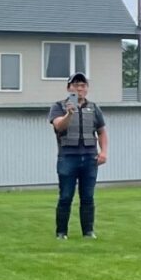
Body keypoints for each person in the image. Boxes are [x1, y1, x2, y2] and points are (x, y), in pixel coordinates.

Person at [49, 71, 108, 240]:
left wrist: (103, 152)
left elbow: (102, 132)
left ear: (87, 89)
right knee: (66, 196)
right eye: (75, 85)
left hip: (90, 158)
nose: (79, 89)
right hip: (68, 157)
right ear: (69, 88)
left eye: (82, 85)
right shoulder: (58, 107)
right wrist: (70, 114)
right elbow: (59, 126)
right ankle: (61, 233)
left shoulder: (94, 108)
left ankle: (88, 232)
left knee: (88, 196)